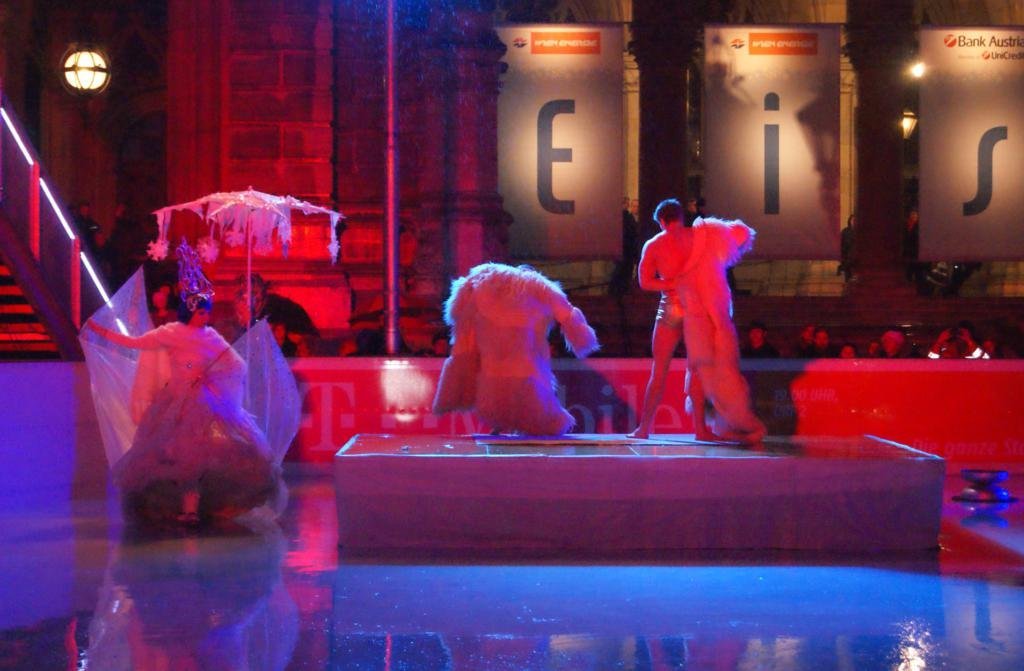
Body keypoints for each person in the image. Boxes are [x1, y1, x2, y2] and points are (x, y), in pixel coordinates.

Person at [82, 241, 291, 525]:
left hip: (202, 402)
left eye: (206, 312)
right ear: (190, 311)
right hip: (174, 403)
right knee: (177, 455)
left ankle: (197, 508)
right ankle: (185, 507)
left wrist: (211, 377)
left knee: (198, 455)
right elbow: (134, 343)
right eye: (202, 312)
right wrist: (100, 330)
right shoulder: (171, 332)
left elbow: (236, 364)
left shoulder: (210, 336)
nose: (206, 317)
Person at [629, 199, 765, 444]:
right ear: (681, 217)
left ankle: (644, 428)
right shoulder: (702, 236)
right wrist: (686, 282)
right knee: (696, 369)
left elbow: (645, 282)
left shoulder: (657, 244)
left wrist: (673, 283)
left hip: (675, 309)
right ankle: (699, 429)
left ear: (661, 221)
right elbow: (741, 233)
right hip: (695, 310)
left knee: (661, 370)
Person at [432, 262, 599, 435]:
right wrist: (583, 339)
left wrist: (458, 381)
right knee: (542, 423)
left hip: (492, 376)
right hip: (528, 374)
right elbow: (567, 313)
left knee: (501, 413)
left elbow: (462, 325)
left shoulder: (478, 283)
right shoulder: (538, 287)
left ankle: (502, 427)